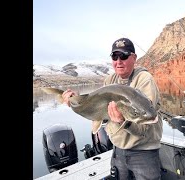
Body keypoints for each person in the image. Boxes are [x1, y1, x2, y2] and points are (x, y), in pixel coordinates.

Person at [61, 37, 163, 180]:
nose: (119, 61)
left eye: (124, 56)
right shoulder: (109, 80)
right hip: (118, 151)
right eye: (115, 56)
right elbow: (93, 103)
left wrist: (124, 121)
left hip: (143, 152)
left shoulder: (145, 79)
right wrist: (75, 100)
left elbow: (144, 128)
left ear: (134, 58)